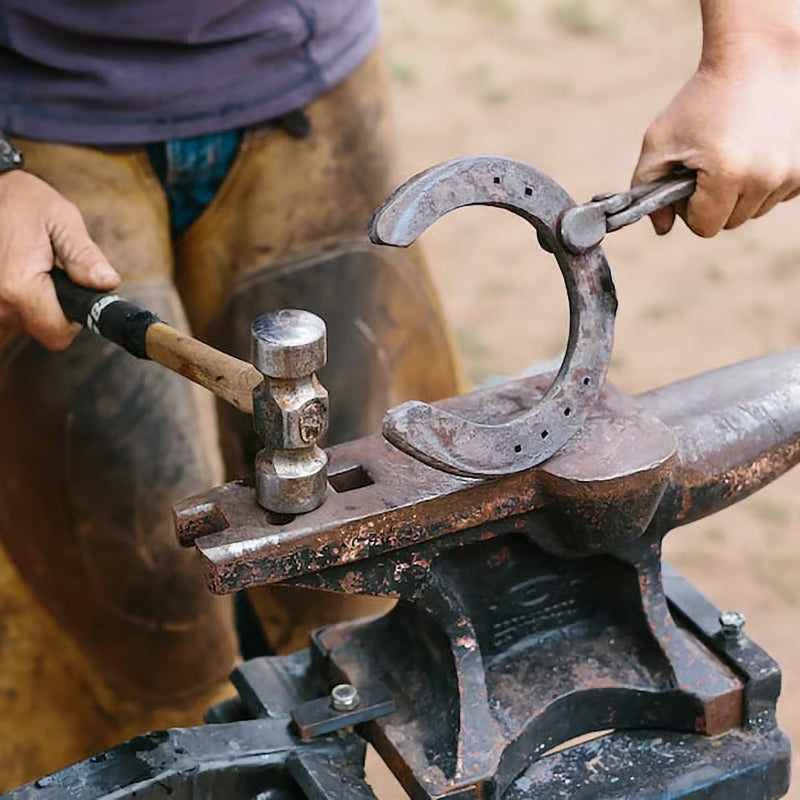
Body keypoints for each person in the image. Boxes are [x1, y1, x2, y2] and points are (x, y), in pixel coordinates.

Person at [0, 0, 797, 789]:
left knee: (366, 592)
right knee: (137, 616)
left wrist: (753, 50)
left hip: (300, 77)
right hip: (32, 109)